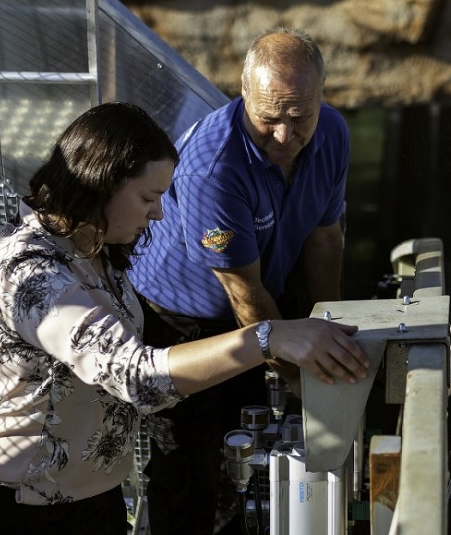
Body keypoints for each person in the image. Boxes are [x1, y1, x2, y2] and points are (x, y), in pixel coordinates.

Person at [0, 101, 367, 535]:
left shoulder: (91, 244)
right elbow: (135, 376)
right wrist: (269, 337)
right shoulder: (29, 274)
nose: (158, 213)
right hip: (15, 503)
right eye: (148, 197)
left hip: (90, 495)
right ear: (100, 183)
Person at [128, 27, 350, 534]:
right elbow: (242, 292)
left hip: (263, 287)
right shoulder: (213, 167)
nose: (284, 136)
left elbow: (324, 241)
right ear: (243, 93)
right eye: (269, 118)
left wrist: (332, 332)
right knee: (188, 461)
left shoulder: (333, 134)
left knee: (245, 445)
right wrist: (304, 381)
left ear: (321, 98)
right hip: (182, 317)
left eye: (300, 118)